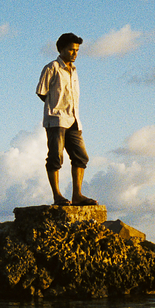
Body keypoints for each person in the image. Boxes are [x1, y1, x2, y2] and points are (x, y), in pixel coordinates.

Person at [36, 32, 98, 206]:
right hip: (56, 119)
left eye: (77, 50)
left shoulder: (74, 70)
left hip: (74, 119)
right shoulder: (52, 67)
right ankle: (57, 196)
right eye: (71, 50)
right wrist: (55, 105)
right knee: (55, 157)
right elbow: (42, 92)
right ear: (61, 49)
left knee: (81, 157)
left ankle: (77, 194)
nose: (74, 53)